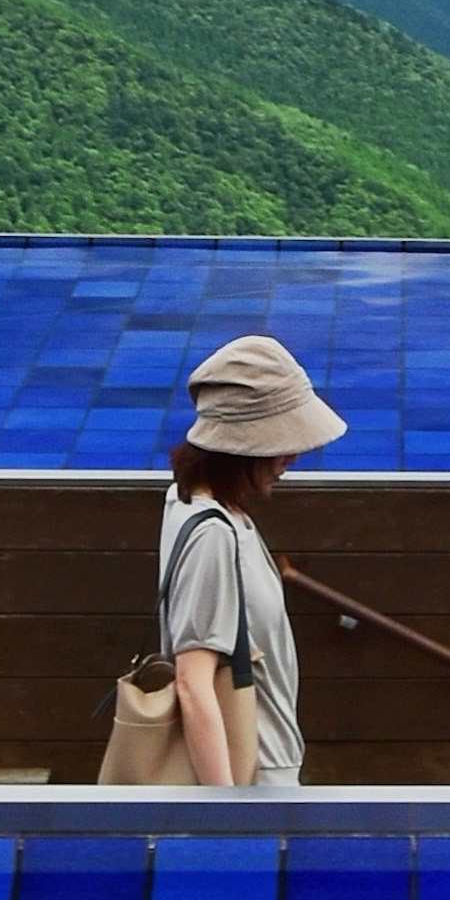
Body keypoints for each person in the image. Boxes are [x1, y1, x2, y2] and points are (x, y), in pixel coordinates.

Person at [158, 329, 344, 789]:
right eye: (283, 442)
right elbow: (192, 682)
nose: (294, 456)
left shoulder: (191, 505)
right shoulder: (214, 536)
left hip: (261, 770)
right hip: (253, 779)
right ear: (244, 446)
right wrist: (228, 816)